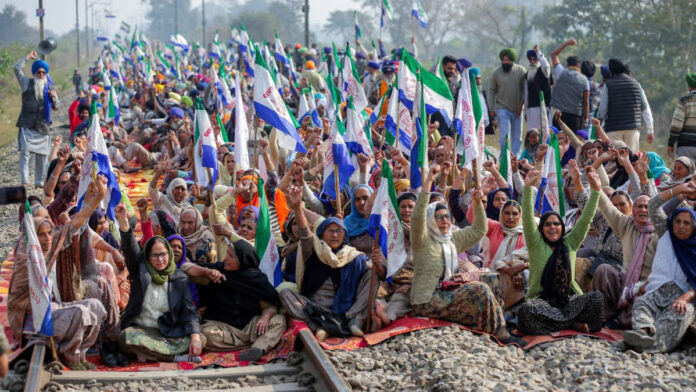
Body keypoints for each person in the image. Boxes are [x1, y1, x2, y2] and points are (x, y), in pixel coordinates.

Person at [409, 165, 523, 345]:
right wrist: (429, 181)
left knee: (493, 279)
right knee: (479, 288)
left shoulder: (451, 239)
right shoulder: (422, 239)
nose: (445, 221)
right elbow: (417, 218)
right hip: (427, 298)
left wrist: (478, 203)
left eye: (447, 217)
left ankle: (497, 321)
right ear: (430, 220)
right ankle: (500, 332)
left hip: (445, 289)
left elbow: (479, 230)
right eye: (439, 217)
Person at [279, 185, 374, 340]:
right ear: (322, 234)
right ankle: (322, 325)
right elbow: (304, 231)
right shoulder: (314, 249)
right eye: (330, 231)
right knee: (286, 294)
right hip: (314, 309)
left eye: (339, 231)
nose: (335, 235)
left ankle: (354, 319)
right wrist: (297, 208)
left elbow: (376, 273)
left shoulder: (353, 256)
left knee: (372, 273)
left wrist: (378, 263)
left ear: (344, 234)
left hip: (344, 309)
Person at [517, 167, 604, 335]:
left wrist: (596, 192)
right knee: (527, 311)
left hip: (569, 300)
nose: (552, 227)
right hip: (542, 301)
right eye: (548, 224)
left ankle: (560, 322)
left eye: (556, 224)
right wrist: (527, 188)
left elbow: (586, 219)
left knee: (597, 299)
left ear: (562, 227)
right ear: (542, 228)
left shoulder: (570, 242)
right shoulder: (536, 243)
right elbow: (527, 217)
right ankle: (571, 324)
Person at [116, 204, 202, 363]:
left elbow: (189, 311)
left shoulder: (179, 278)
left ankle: (148, 354)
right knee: (125, 337)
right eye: (155, 256)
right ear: (147, 257)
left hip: (167, 332)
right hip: (141, 330)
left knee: (200, 339)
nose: (160, 259)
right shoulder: (140, 270)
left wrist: (195, 336)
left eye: (163, 254)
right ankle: (174, 357)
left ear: (169, 254)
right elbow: (130, 249)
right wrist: (123, 223)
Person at [195, 240, 287, 362]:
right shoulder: (218, 271)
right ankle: (248, 345)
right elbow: (186, 267)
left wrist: (265, 317)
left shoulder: (257, 280)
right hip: (222, 330)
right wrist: (206, 272)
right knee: (204, 333)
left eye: (231, 256)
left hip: (250, 329)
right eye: (227, 254)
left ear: (242, 261)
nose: (226, 258)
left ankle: (257, 349)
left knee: (279, 320)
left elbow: (269, 307)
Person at [623, 200, 696, 353]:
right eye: (678, 221)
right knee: (642, 303)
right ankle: (643, 332)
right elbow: (654, 206)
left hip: (683, 296)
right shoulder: (665, 233)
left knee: (681, 313)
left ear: (694, 226)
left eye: (686, 223)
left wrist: (685, 298)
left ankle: (646, 346)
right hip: (658, 291)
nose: (681, 226)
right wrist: (679, 190)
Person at [15, 51, 60, 188]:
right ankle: (24, 181)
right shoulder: (26, 83)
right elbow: (17, 68)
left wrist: (53, 98)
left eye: (43, 73)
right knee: (25, 153)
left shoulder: (50, 88)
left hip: (43, 126)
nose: (41, 75)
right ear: (34, 73)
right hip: (27, 125)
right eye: (38, 72)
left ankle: (39, 182)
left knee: (42, 156)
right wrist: (27, 57)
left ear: (46, 74)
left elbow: (57, 107)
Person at [597, 58, 654, 152]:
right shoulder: (636, 84)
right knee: (632, 160)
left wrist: (599, 127)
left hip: (613, 129)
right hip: (633, 129)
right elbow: (645, 108)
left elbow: (602, 110)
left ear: (612, 71)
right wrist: (650, 130)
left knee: (615, 159)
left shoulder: (608, 85)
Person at [488, 48, 526, 157]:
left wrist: (520, 106)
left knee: (517, 137)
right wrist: (491, 109)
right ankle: (504, 159)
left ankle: (515, 159)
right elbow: (491, 91)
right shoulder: (496, 73)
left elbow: (525, 91)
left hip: (518, 109)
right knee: (505, 136)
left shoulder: (521, 71)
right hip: (502, 108)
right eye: (503, 60)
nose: (505, 62)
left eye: (508, 60)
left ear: (513, 60)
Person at [549, 39, 589, 133]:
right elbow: (585, 102)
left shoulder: (561, 72)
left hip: (559, 115)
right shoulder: (585, 80)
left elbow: (554, 55)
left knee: (558, 141)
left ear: (567, 64)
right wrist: (586, 118)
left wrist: (567, 43)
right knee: (574, 143)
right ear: (578, 65)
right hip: (576, 116)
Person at [667, 73, 696, 160]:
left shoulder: (684, 100)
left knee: (687, 172)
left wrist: (671, 143)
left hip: (687, 146)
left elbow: (676, 126)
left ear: (689, 86)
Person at [524, 45, 552, 132]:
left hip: (544, 108)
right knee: (532, 133)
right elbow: (526, 94)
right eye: (531, 59)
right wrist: (526, 111)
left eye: (535, 59)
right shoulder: (527, 75)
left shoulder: (544, 71)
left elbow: (546, 65)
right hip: (531, 110)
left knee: (545, 133)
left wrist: (538, 53)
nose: (533, 61)